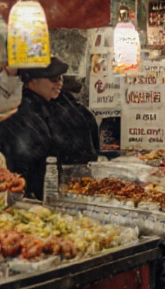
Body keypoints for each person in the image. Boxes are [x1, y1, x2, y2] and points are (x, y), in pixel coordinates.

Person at [0, 57, 101, 200]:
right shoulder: (21, 112)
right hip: (37, 193)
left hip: (69, 188)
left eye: (61, 78)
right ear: (33, 80)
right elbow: (32, 159)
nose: (59, 83)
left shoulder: (60, 104)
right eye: (54, 78)